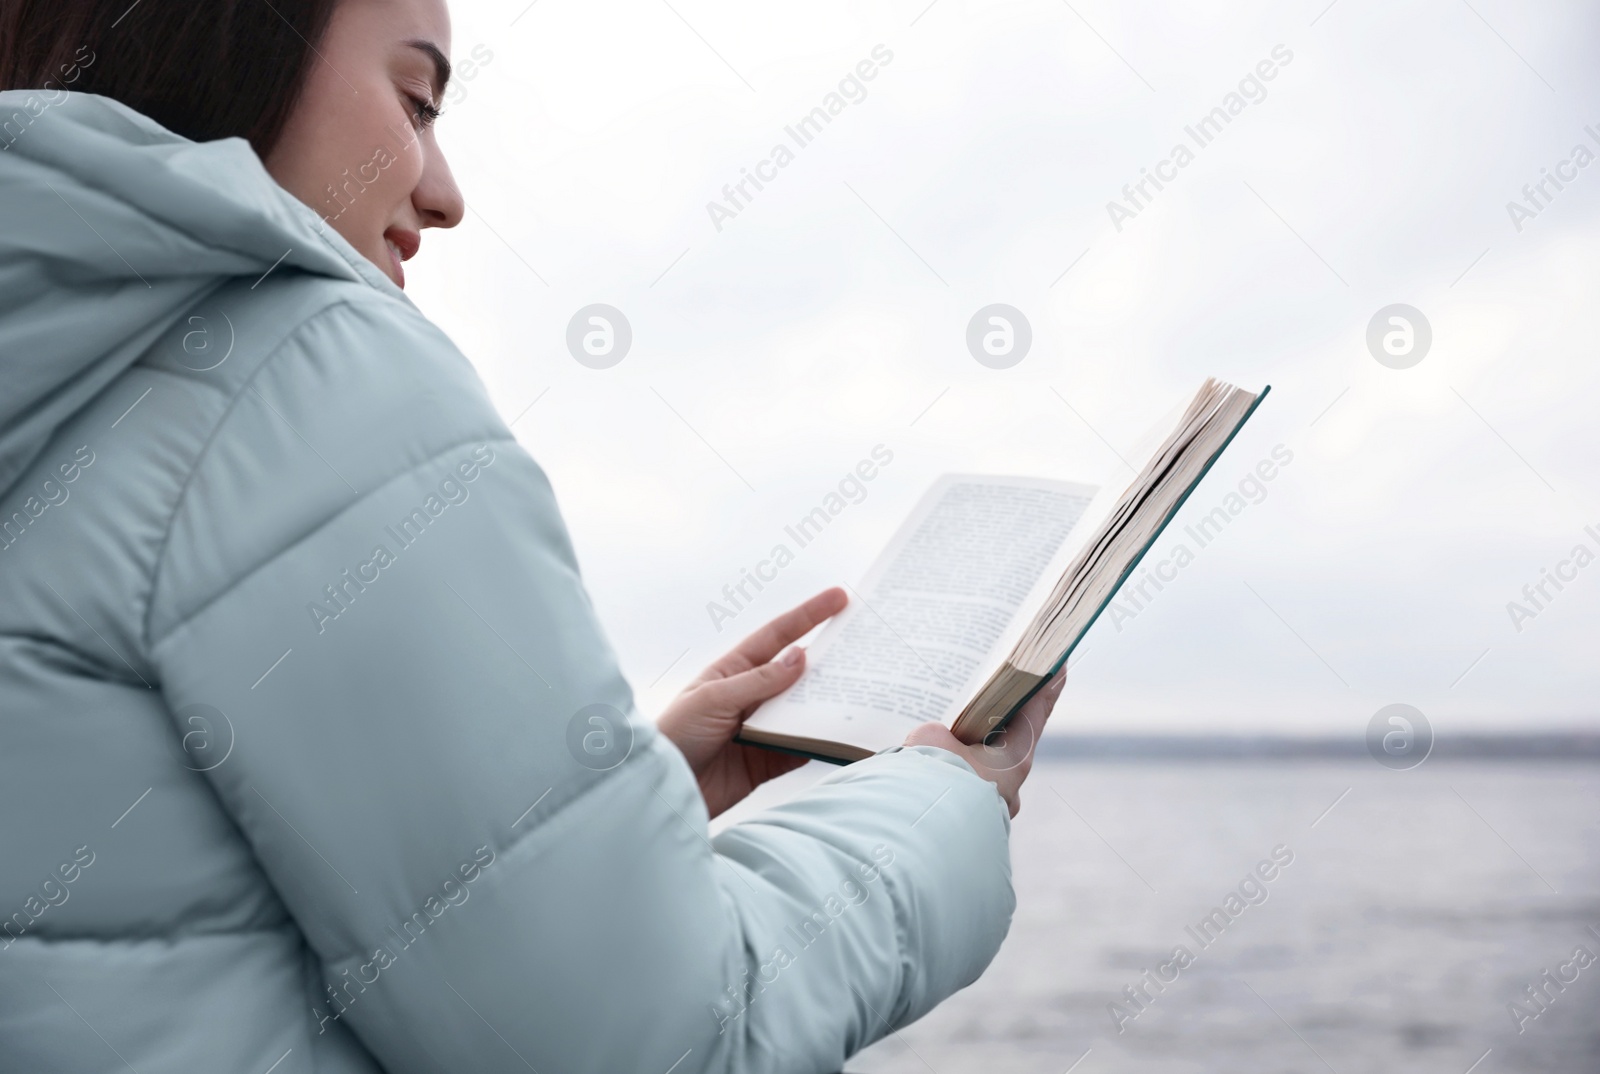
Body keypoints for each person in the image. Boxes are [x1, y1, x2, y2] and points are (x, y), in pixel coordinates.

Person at [0, 0, 1066, 1070]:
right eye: (415, 100)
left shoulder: (51, 382)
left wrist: (604, 797)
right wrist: (938, 808)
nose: (446, 192)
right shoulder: (312, 372)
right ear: (228, 44)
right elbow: (651, 1047)